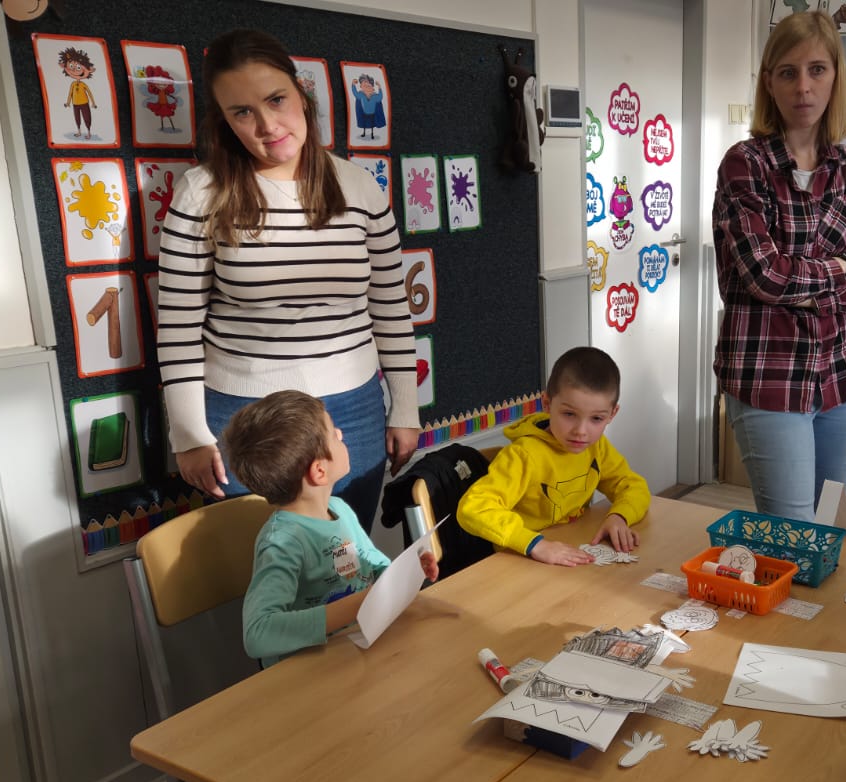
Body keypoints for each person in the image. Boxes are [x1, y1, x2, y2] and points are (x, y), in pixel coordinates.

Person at [155, 29, 418, 529]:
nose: (267, 125)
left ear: (302, 94)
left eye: (276, 99)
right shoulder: (200, 194)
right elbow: (178, 328)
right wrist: (188, 434)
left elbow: (389, 305)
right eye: (242, 112)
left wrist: (405, 407)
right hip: (245, 418)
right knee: (261, 563)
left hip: (352, 410)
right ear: (224, 121)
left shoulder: (360, 188)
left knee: (347, 558)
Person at [711, 10, 846, 521]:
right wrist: (840, 267)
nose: (803, 87)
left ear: (836, 77)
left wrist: (815, 287)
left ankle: (822, 579)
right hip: (769, 376)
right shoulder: (744, 164)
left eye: (817, 70)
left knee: (830, 520)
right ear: (768, 82)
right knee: (793, 533)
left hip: (843, 376)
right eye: (788, 72)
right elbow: (766, 276)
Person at [223, 391, 437, 667]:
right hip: (309, 671)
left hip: (355, 651)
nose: (340, 433)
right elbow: (258, 634)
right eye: (333, 434)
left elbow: (370, 563)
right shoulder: (282, 542)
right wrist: (360, 604)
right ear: (319, 471)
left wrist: (405, 572)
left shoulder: (339, 508)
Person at [457, 347, 651, 567]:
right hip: (522, 560)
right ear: (547, 404)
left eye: (596, 419)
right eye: (569, 414)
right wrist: (536, 545)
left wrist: (620, 516)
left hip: (571, 547)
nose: (581, 431)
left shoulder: (597, 447)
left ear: (612, 414)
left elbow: (633, 485)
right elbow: (473, 508)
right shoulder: (523, 455)